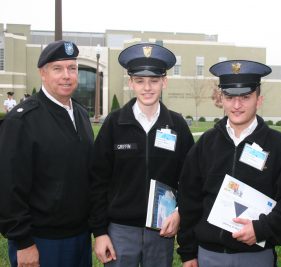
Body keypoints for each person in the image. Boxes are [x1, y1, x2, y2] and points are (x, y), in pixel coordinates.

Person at [177, 60, 281, 267]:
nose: (237, 105)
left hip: (256, 256)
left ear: (259, 99)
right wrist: (188, 252)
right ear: (222, 99)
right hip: (209, 255)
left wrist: (261, 229)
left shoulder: (277, 145)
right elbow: (189, 200)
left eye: (245, 97)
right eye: (230, 97)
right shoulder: (206, 144)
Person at [89, 42, 194, 267]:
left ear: (164, 82)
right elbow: (97, 180)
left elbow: (191, 179)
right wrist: (99, 232)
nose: (147, 88)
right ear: (131, 83)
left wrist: (179, 212)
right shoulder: (114, 124)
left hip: (161, 230)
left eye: (154, 81)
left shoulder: (177, 126)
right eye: (140, 81)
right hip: (119, 232)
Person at [0, 40, 94, 267]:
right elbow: (9, 187)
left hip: (80, 236)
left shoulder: (80, 114)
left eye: (72, 68)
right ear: (43, 73)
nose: (66, 75)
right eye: (57, 69)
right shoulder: (22, 120)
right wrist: (23, 242)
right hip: (42, 241)